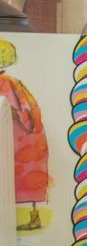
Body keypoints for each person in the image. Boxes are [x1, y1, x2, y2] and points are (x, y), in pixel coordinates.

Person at [0, 39, 49, 232]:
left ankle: (32, 219)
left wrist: (12, 114)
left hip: (21, 139)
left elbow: (25, 111)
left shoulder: (9, 83)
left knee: (24, 179)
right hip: (13, 137)